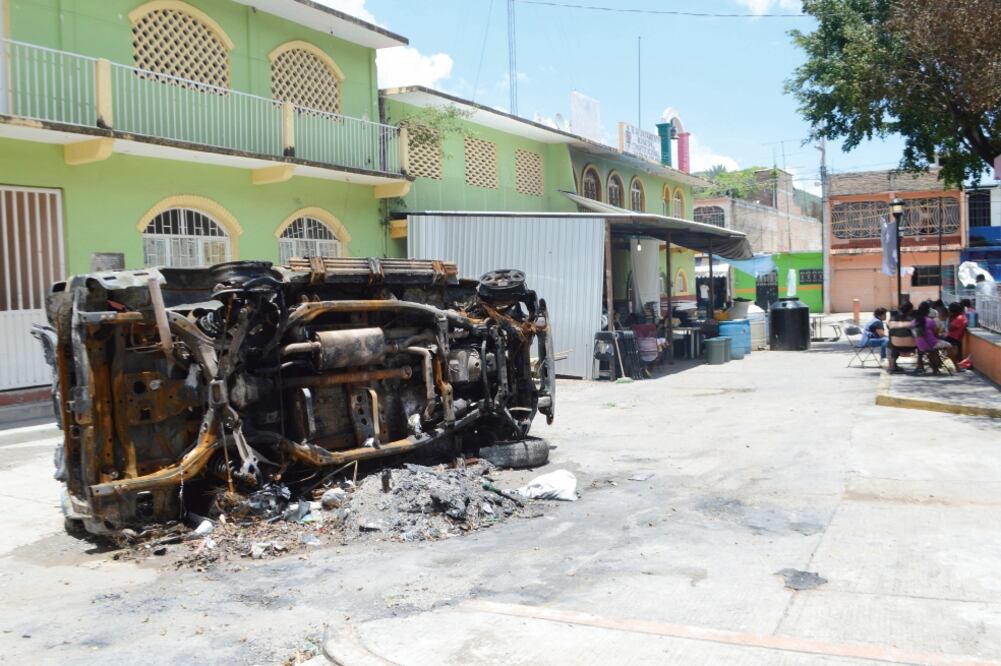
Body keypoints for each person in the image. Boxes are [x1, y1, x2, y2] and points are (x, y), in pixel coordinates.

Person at [913, 300, 953, 374]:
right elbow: (935, 335)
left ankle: (923, 366)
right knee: (949, 345)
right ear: (928, 311)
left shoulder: (915, 321)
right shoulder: (931, 321)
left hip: (919, 345)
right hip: (931, 344)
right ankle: (955, 366)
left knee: (931, 349)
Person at [887, 301, 916, 372]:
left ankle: (892, 365)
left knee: (889, 342)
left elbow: (889, 329)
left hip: (896, 345)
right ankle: (920, 365)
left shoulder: (892, 319)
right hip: (912, 346)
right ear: (911, 310)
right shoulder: (914, 320)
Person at [944, 301, 967, 367]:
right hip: (951, 337)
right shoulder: (959, 317)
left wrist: (950, 318)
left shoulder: (959, 318)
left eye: (949, 310)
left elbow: (949, 328)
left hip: (953, 338)